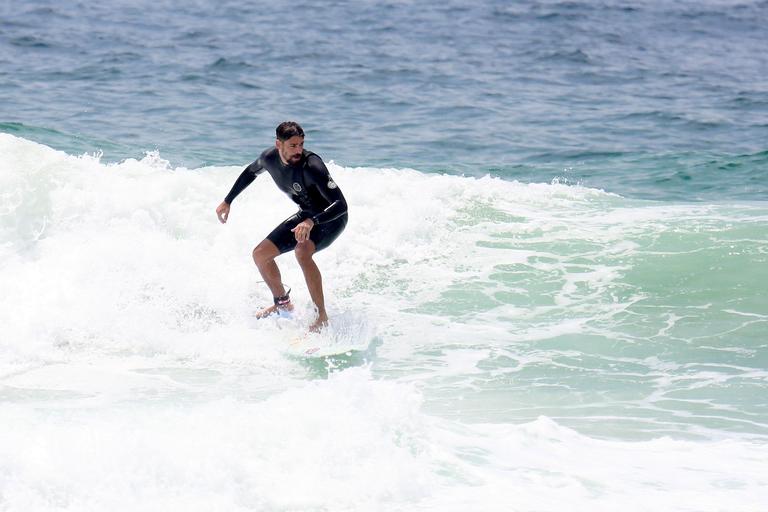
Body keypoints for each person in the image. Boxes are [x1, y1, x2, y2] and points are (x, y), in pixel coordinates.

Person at [216, 122, 348, 332]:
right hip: (306, 216)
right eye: (293, 145)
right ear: (279, 144)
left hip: (331, 219)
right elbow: (250, 172)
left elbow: (341, 204)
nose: (299, 150)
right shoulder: (269, 158)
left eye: (301, 144)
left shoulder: (313, 165)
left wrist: (311, 221)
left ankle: (321, 316)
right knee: (260, 254)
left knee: (302, 251)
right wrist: (228, 200)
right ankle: (282, 304)